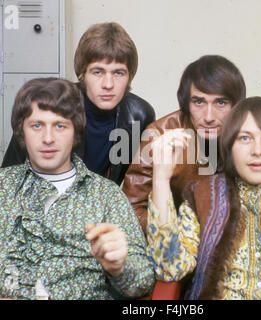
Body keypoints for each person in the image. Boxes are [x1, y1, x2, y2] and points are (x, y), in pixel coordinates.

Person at [146, 96, 261, 300]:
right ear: (229, 146)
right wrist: (161, 179)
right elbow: (169, 268)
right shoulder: (201, 195)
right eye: (245, 138)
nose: (257, 151)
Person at [0, 78, 154, 300]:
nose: (48, 138)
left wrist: (119, 266)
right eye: (37, 125)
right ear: (21, 132)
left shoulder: (106, 196)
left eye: (60, 126)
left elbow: (142, 283)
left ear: (76, 132)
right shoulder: (4, 187)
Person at [2, 22, 155, 186]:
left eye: (118, 73)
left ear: (129, 76)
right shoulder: (50, 107)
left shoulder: (139, 115)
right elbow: (9, 178)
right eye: (98, 72)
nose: (108, 84)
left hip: (103, 205)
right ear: (83, 74)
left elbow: (140, 182)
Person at [122, 55, 246, 231]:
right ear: (186, 103)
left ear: (235, 105)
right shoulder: (159, 134)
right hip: (175, 244)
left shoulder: (248, 129)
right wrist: (182, 235)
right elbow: (131, 210)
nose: (209, 117)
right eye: (199, 102)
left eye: (220, 102)